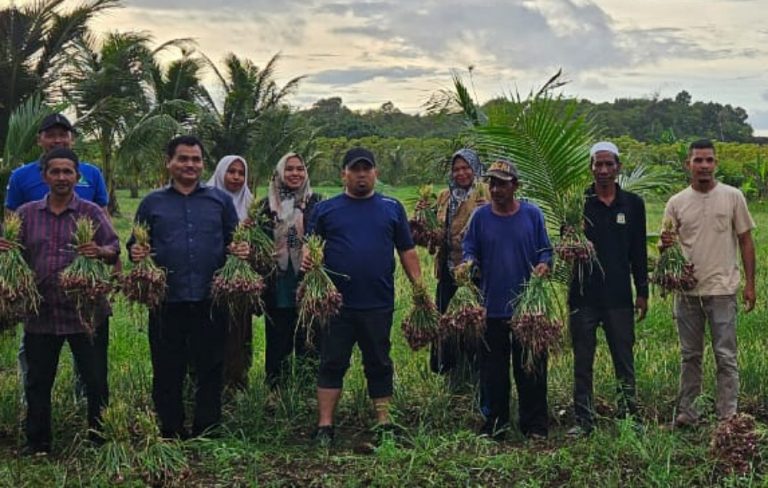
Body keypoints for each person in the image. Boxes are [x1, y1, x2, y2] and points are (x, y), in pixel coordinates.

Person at [128, 135, 248, 439]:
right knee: (168, 368)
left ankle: (207, 428)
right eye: (183, 159)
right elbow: (135, 243)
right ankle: (170, 429)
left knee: (210, 367)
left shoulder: (219, 201)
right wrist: (136, 252)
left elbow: (235, 241)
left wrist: (241, 251)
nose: (190, 165)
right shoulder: (152, 202)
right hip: (168, 299)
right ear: (169, 162)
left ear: (203, 164)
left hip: (210, 298)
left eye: (195, 159)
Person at [0, 148, 119, 455]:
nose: (62, 177)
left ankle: (98, 439)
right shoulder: (26, 213)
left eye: (68, 172)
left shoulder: (91, 212)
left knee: (95, 381)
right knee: (38, 382)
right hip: (41, 312)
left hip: (86, 311)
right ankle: (38, 443)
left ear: (77, 177)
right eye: (56, 171)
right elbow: (13, 252)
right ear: (45, 176)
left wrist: (99, 251)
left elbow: (114, 248)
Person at [304, 147, 422, 445]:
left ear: (375, 173)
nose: (361, 174)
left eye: (366, 169)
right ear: (343, 174)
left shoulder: (391, 207)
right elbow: (309, 246)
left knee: (379, 362)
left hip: (377, 301)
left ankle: (383, 423)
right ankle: (325, 427)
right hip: (336, 304)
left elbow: (407, 250)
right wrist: (307, 259)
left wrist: (420, 288)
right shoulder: (325, 209)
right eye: (354, 169)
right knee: (332, 362)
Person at [5, 113, 109, 401]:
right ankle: (34, 419)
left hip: (82, 289)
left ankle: (88, 410)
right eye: (50, 134)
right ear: (40, 140)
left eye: (63, 134)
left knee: (91, 366)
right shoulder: (21, 176)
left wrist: (103, 261)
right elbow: (11, 224)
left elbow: (105, 226)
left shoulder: (92, 173)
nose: (58, 139)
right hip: (40, 291)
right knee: (37, 363)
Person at [661, 139, 756, 427]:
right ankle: (688, 414)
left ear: (716, 163)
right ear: (687, 164)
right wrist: (665, 247)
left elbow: (745, 241)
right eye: (698, 160)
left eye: (709, 160)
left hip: (722, 290)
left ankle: (728, 416)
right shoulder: (676, 202)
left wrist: (750, 285)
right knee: (690, 356)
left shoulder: (733, 197)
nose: (704, 166)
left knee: (725, 356)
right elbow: (667, 247)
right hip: (688, 292)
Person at [461, 159, 552, 440]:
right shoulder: (480, 217)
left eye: (501, 183)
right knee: (493, 373)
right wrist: (468, 264)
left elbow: (545, 250)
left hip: (528, 311)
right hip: (492, 307)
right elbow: (469, 248)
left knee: (531, 369)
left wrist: (544, 264)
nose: (495, 189)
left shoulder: (532, 215)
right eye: (492, 183)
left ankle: (535, 426)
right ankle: (495, 425)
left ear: (516, 186)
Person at [566, 142, 648, 437]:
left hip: (619, 297)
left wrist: (642, 291)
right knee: (583, 362)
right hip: (583, 296)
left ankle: (629, 416)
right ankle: (584, 421)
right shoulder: (578, 203)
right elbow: (565, 246)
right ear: (590, 167)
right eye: (597, 165)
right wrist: (572, 247)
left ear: (618, 167)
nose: (603, 170)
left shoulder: (633, 204)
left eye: (608, 164)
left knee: (624, 360)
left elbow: (638, 251)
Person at [252, 152, 322, 389]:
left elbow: (329, 236)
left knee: (309, 340)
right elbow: (255, 243)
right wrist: (265, 255)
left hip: (308, 282)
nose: (295, 173)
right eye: (289, 169)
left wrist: (316, 253)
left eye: (300, 169)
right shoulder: (265, 206)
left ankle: (307, 393)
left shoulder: (317, 203)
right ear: (279, 173)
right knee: (278, 341)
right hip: (278, 283)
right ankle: (275, 391)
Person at [429, 148, 488, 379]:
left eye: (466, 168)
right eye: (456, 169)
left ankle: (475, 375)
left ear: (475, 169)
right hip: (448, 270)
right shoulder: (444, 196)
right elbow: (433, 234)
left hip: (476, 272)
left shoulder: (486, 193)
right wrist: (426, 223)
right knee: (446, 323)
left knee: (473, 325)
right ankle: (451, 375)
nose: (461, 173)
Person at [207, 155, 254, 389]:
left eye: (241, 173)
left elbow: (289, 238)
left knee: (237, 332)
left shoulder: (253, 204)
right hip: (211, 280)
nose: (236, 177)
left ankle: (236, 380)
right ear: (220, 172)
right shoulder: (205, 199)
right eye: (231, 172)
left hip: (240, 284)